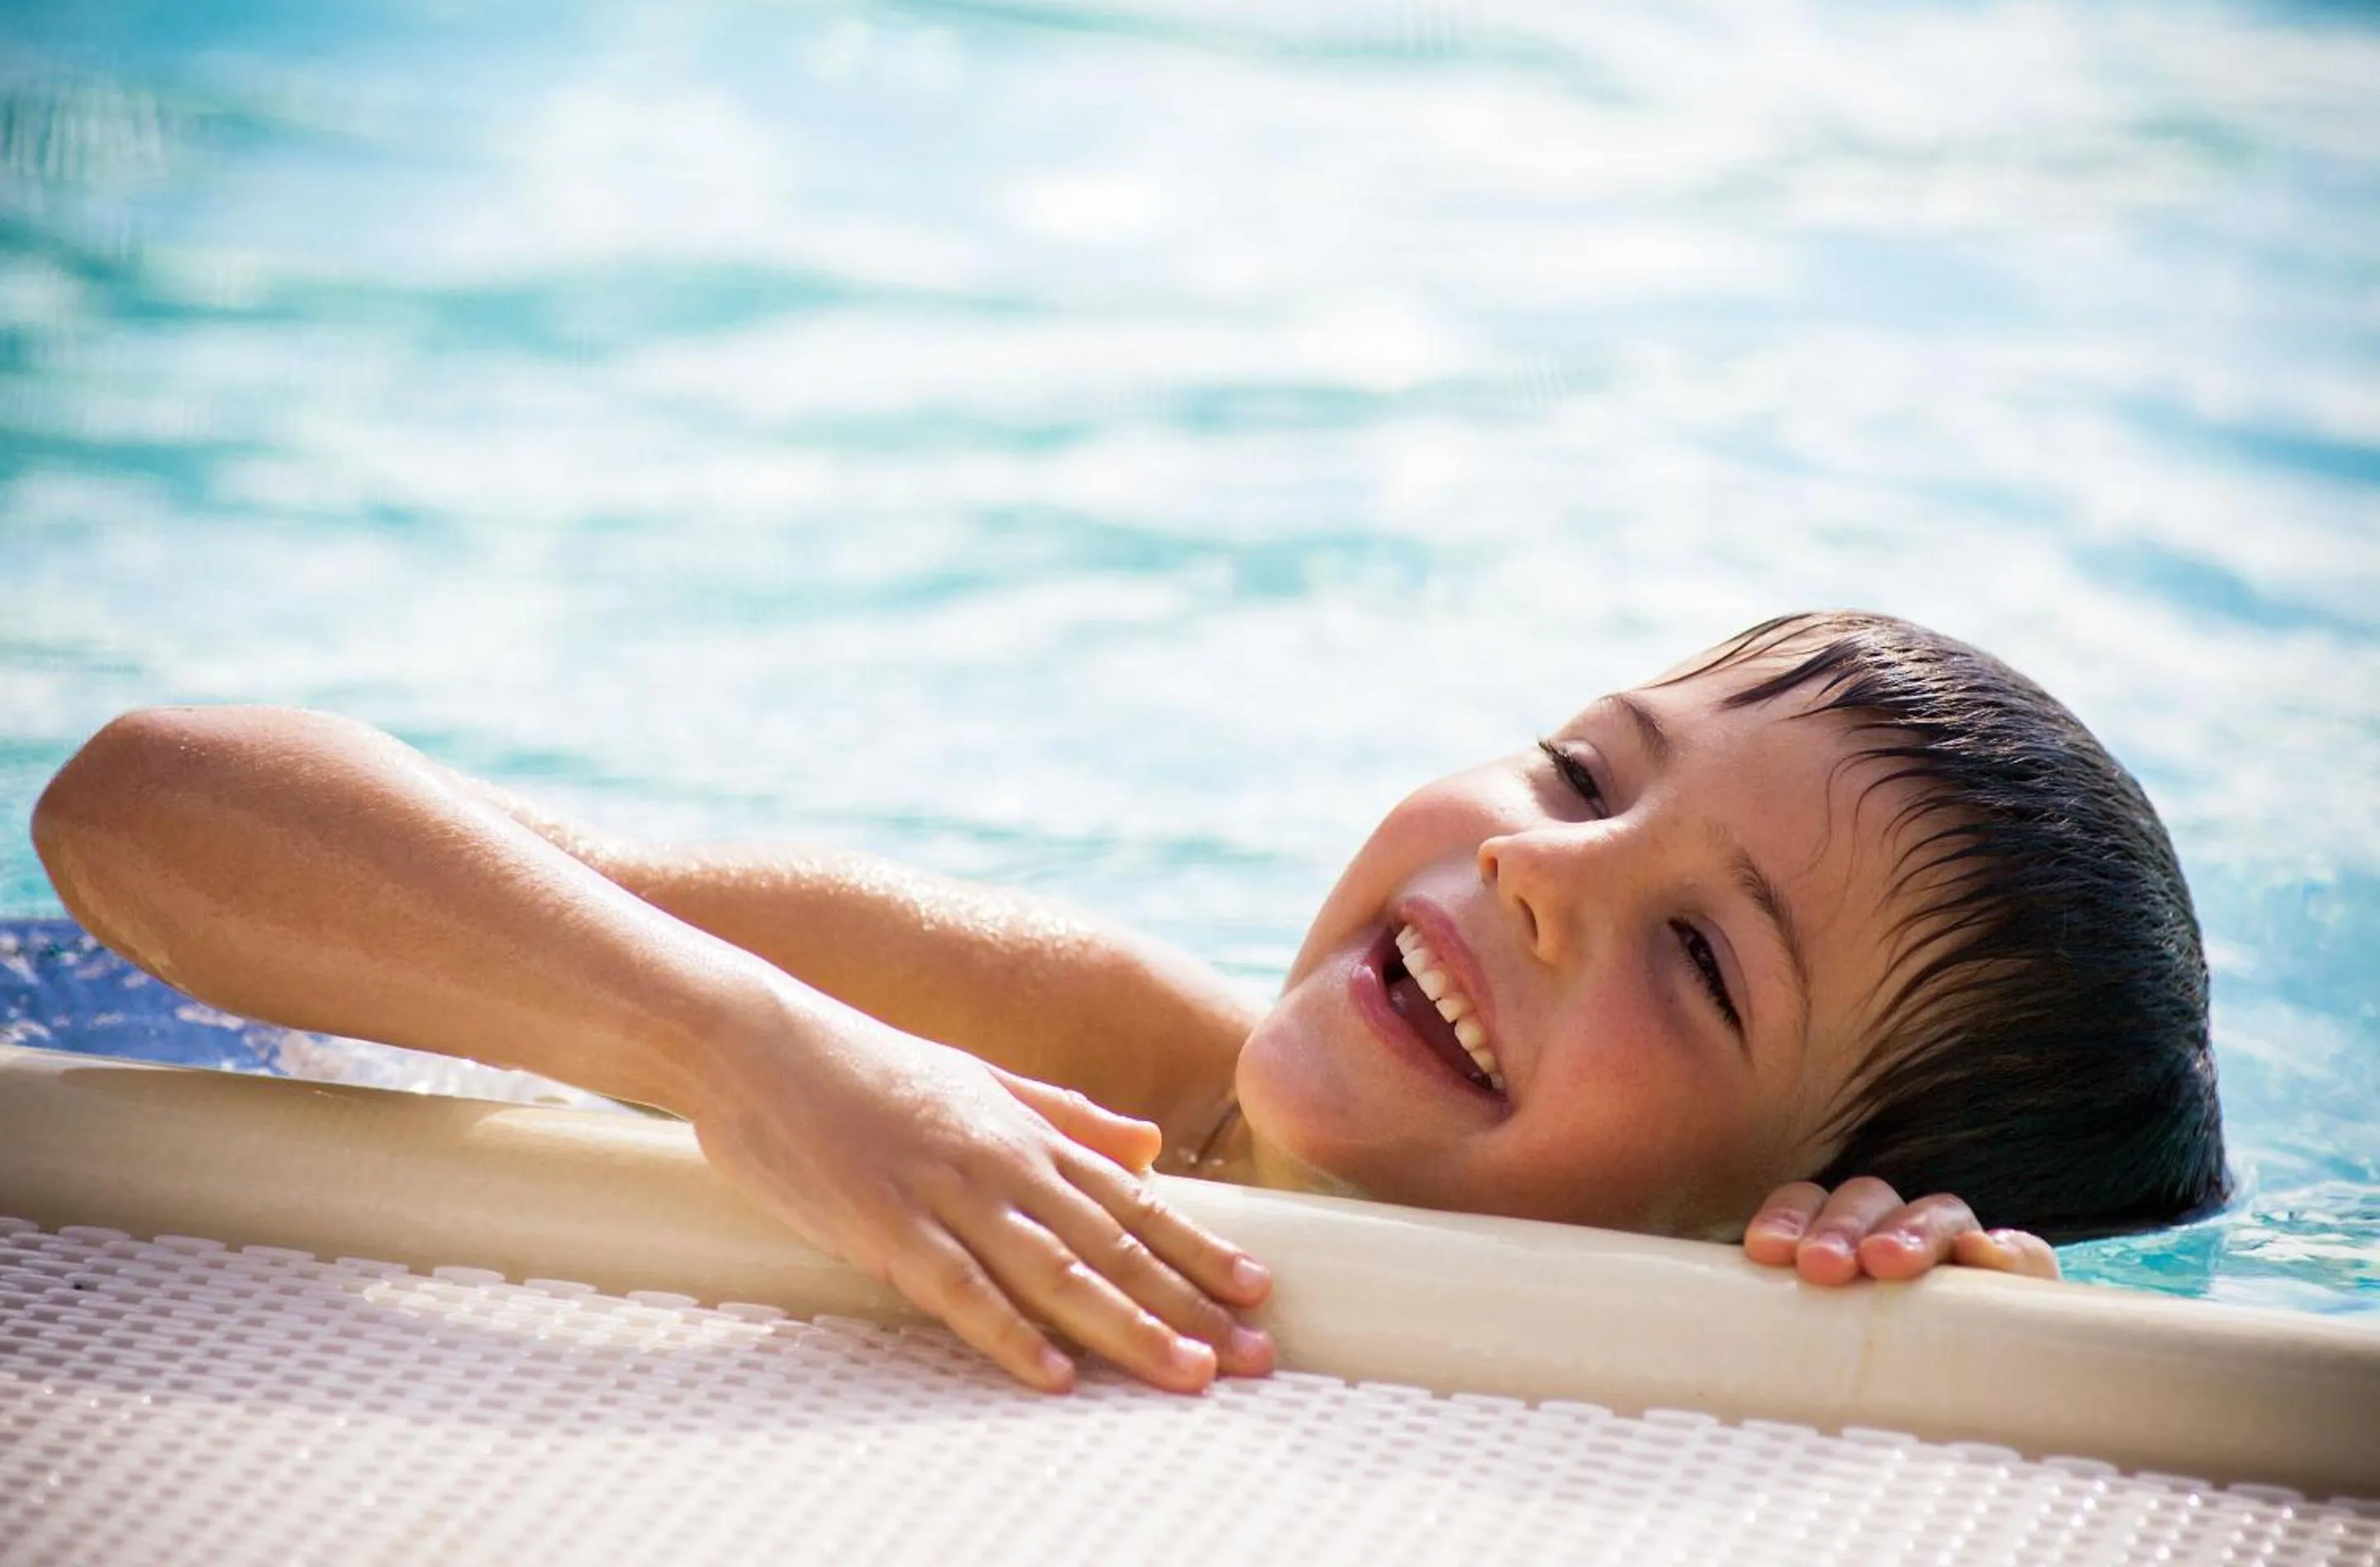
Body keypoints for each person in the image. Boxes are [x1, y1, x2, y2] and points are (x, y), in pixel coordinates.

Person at [28, 611, 2226, 1397]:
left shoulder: (1750, 1263)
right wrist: (740, 1044)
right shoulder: (1067, 1029)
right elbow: (140, 806)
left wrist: (1890, 1314)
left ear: (1776, 1187)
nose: (1543, 872)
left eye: (1699, 955)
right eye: (1581, 772)